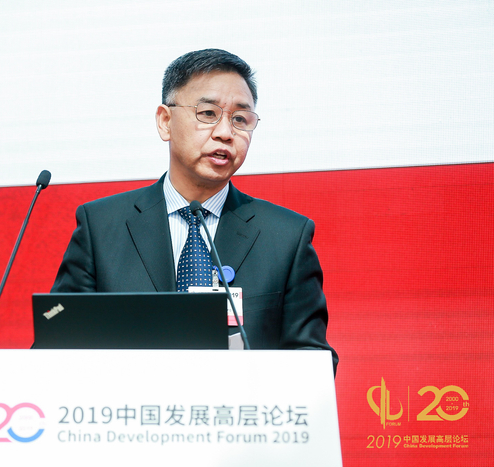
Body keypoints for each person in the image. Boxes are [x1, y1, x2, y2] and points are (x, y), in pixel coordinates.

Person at [51, 49, 338, 373]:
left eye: (240, 119)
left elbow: (313, 362)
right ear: (165, 121)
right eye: (208, 113)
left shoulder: (286, 237)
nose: (225, 133)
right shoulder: (101, 227)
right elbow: (58, 344)